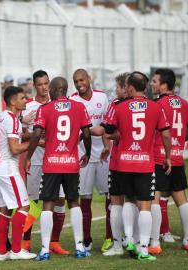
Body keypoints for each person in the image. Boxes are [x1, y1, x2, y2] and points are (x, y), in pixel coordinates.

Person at [25, 77, 100, 261]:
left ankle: (44, 250)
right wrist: (87, 153)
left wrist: (28, 156)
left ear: (52, 89)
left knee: (48, 204)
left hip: (51, 163)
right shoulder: (78, 107)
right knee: (74, 202)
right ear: (66, 89)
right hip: (71, 163)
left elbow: (35, 134)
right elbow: (87, 133)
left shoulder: (45, 108)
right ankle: (80, 247)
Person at [104, 71, 172, 261]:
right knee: (145, 205)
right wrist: (167, 156)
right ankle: (143, 249)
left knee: (127, 200)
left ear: (130, 87)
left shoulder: (120, 107)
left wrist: (119, 135)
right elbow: (166, 134)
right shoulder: (156, 107)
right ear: (146, 87)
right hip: (145, 163)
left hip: (124, 162)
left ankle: (128, 238)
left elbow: (108, 130)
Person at [148, 68, 188, 254]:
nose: (152, 84)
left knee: (154, 199)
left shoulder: (156, 104)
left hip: (160, 158)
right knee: (181, 199)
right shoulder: (183, 103)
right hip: (176, 157)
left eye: (155, 81)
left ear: (164, 84)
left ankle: (154, 243)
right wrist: (179, 142)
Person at [21, 70, 69, 255]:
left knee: (61, 198)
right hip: (36, 161)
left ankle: (54, 242)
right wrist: (36, 135)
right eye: (40, 84)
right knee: (32, 201)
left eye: (46, 83)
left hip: (56, 160)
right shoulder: (28, 107)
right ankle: (26, 241)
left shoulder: (57, 104)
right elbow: (21, 133)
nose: (44, 87)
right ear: (34, 86)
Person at [0, 86, 37, 261]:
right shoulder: (12, 120)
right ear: (12, 101)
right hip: (8, 168)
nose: (25, 100)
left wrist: (33, 137)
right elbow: (15, 148)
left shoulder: (3, 117)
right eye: (22, 98)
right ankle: (16, 250)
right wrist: (35, 143)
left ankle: (1, 252)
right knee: (24, 206)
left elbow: (4, 140)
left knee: (5, 209)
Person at [69, 69, 111, 252]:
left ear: (88, 79)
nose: (79, 84)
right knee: (84, 199)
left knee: (110, 198)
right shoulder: (72, 100)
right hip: (83, 157)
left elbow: (108, 125)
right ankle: (86, 239)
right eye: (76, 81)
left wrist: (107, 146)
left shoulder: (102, 98)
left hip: (103, 156)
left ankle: (111, 237)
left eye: (82, 80)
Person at [101, 72, 130, 256]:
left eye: (118, 87)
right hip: (140, 162)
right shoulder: (148, 105)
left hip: (120, 161)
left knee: (116, 201)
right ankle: (135, 240)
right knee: (136, 202)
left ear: (126, 88)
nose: (115, 91)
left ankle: (118, 245)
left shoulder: (115, 105)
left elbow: (107, 129)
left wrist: (110, 137)